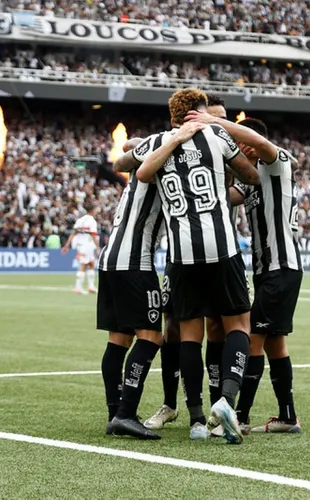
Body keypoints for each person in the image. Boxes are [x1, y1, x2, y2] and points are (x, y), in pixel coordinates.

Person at [136, 88, 260, 444]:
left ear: (173, 116)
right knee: (239, 323)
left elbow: (136, 168)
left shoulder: (158, 141)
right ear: (201, 112)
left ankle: (195, 419)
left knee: (189, 332)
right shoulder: (217, 134)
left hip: (180, 253)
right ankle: (228, 400)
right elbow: (250, 175)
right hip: (221, 246)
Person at [189, 112, 304, 434]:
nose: (243, 149)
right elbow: (222, 200)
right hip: (270, 269)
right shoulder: (252, 179)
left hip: (281, 265)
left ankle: (238, 416)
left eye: (243, 143)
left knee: (253, 337)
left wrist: (213, 124)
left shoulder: (276, 161)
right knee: (274, 344)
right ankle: (287, 417)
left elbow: (260, 142)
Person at [144, 94, 231, 433]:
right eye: (210, 115)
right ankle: (172, 404)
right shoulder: (174, 144)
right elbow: (129, 162)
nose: (211, 121)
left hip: (222, 251)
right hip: (183, 251)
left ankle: (217, 408)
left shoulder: (225, 142)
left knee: (219, 328)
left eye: (219, 118)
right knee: (175, 327)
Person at [97, 139, 168, 440]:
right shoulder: (160, 167)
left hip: (110, 258)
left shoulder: (141, 166)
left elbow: (129, 145)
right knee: (151, 337)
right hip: (135, 262)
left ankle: (116, 412)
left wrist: (147, 142)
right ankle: (126, 414)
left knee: (119, 339)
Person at [61, 205, 100, 294]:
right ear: (92, 211)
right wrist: (98, 247)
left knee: (91, 264)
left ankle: (91, 286)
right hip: (88, 245)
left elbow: (73, 233)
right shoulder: (92, 221)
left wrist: (66, 246)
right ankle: (78, 288)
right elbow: (93, 235)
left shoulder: (80, 220)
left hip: (81, 245)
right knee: (83, 265)